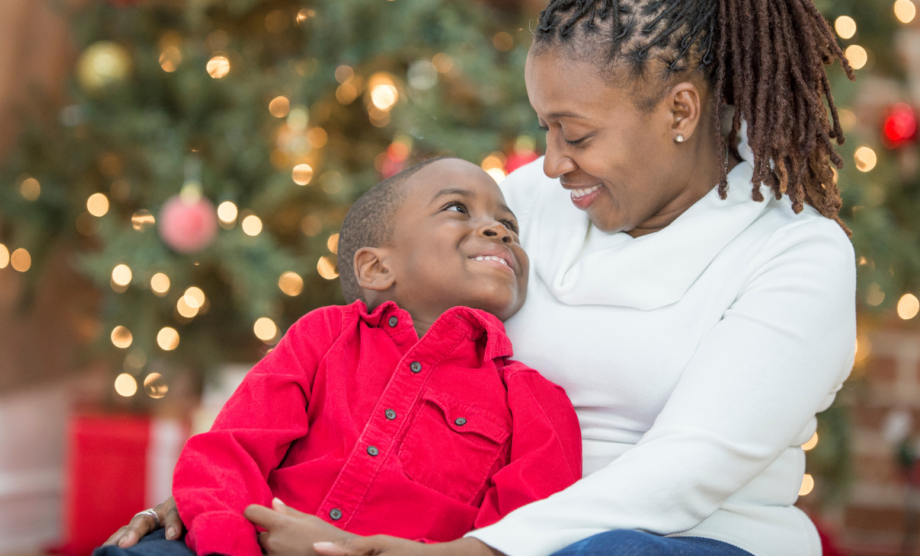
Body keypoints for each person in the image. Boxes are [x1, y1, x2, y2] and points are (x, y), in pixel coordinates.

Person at [106, 0, 857, 556]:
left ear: (680, 110)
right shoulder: (524, 203)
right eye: (545, 129)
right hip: (448, 528)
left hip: (676, 539)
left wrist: (465, 553)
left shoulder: (796, 256)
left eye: (577, 134)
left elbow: (687, 470)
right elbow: (381, 336)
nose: (551, 163)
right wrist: (224, 500)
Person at [98, 157, 582, 556]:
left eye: (509, 225)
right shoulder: (324, 335)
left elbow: (518, 540)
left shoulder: (535, 401)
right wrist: (228, 544)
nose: (499, 231)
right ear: (377, 268)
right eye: (458, 208)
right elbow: (230, 452)